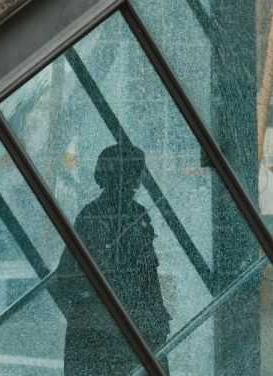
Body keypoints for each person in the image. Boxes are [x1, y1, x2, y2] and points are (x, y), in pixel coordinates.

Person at [54, 144, 171, 375]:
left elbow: (147, 274)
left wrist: (157, 314)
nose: (137, 180)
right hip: (113, 327)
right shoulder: (101, 216)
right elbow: (72, 275)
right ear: (119, 176)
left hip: (124, 322)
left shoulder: (132, 214)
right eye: (135, 172)